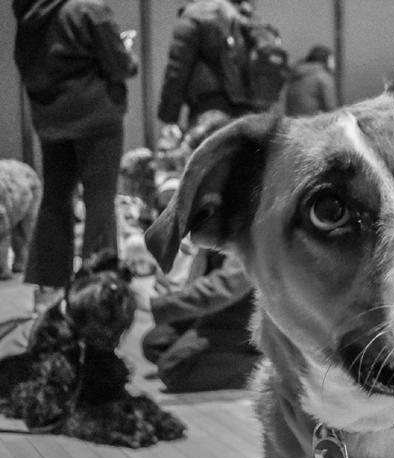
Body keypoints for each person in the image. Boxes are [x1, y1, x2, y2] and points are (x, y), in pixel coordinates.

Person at [13, 0, 138, 297]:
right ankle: (98, 291)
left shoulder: (29, 10)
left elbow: (25, 64)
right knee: (100, 201)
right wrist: (127, 52)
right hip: (97, 115)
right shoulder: (89, 8)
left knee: (54, 199)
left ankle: (48, 288)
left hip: (51, 118)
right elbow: (119, 65)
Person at [140, 248, 260, 392]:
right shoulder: (215, 237)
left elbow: (223, 289)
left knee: (173, 371)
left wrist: (161, 305)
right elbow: (199, 274)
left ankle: (263, 365)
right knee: (154, 344)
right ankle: (209, 363)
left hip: (243, 322)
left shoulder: (249, 240)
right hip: (213, 313)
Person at [157, 0, 256, 137]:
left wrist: (168, 116)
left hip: (208, 109)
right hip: (246, 111)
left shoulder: (195, 15)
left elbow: (177, 70)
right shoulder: (241, 13)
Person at [284, 45, 339, 117]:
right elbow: (331, 107)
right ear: (326, 60)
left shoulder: (295, 74)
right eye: (332, 60)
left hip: (293, 120)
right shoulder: (323, 76)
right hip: (313, 120)